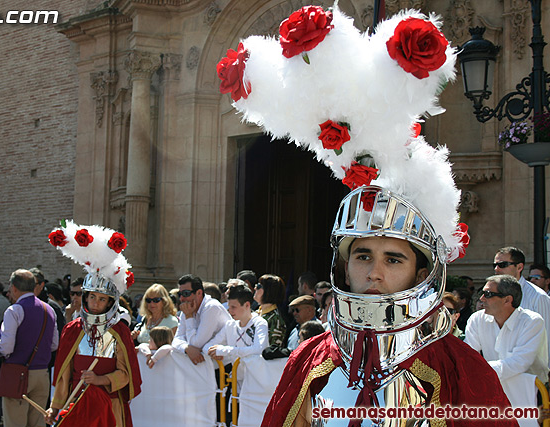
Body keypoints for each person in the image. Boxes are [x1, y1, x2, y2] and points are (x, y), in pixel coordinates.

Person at [220, 5, 515, 426]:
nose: (374, 273)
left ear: (420, 270)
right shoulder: (311, 360)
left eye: (393, 259)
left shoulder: (457, 366)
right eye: (363, 256)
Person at [45, 220, 141, 427]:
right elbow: (64, 374)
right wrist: (55, 407)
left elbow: (126, 375)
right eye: (92, 297)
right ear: (85, 298)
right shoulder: (73, 329)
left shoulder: (119, 332)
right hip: (76, 405)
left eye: (102, 299)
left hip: (109, 407)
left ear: (110, 302)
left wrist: (101, 380)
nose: (95, 303)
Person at [465, 275, 548, 426]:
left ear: (507, 300)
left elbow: (519, 363)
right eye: (482, 293)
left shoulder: (532, 321)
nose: (482, 299)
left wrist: (480, 371)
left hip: (533, 395)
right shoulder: (476, 320)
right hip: (494, 393)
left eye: (488, 294)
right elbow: (469, 358)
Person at [0, 269, 59, 427]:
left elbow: (6, 347)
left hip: (18, 373)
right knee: (37, 423)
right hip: (42, 374)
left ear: (14, 287)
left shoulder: (14, 310)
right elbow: (54, 344)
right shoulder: (49, 310)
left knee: (15, 423)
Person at [493, 246, 550, 366]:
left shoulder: (538, 297)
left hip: (531, 375)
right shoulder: (491, 296)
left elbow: (547, 338)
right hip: (499, 372)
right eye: (495, 265)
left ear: (519, 267)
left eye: (503, 265)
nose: (497, 269)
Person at [172, 274, 231, 365]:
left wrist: (189, 317)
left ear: (199, 293)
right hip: (204, 367)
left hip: (223, 368)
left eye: (186, 293)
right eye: (180, 294)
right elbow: (176, 340)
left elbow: (196, 344)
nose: (182, 298)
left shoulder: (211, 307)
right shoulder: (187, 309)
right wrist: (186, 348)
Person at [204, 284, 269, 361]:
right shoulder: (230, 325)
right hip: (236, 372)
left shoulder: (260, 323)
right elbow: (207, 347)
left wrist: (225, 350)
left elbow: (259, 349)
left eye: (233, 307)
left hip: (256, 372)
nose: (230, 310)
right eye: (229, 306)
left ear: (247, 305)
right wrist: (214, 353)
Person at [254, 274, 287, 347]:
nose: (255, 288)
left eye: (259, 286)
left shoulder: (276, 319)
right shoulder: (255, 313)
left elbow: (272, 349)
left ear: (268, 291)